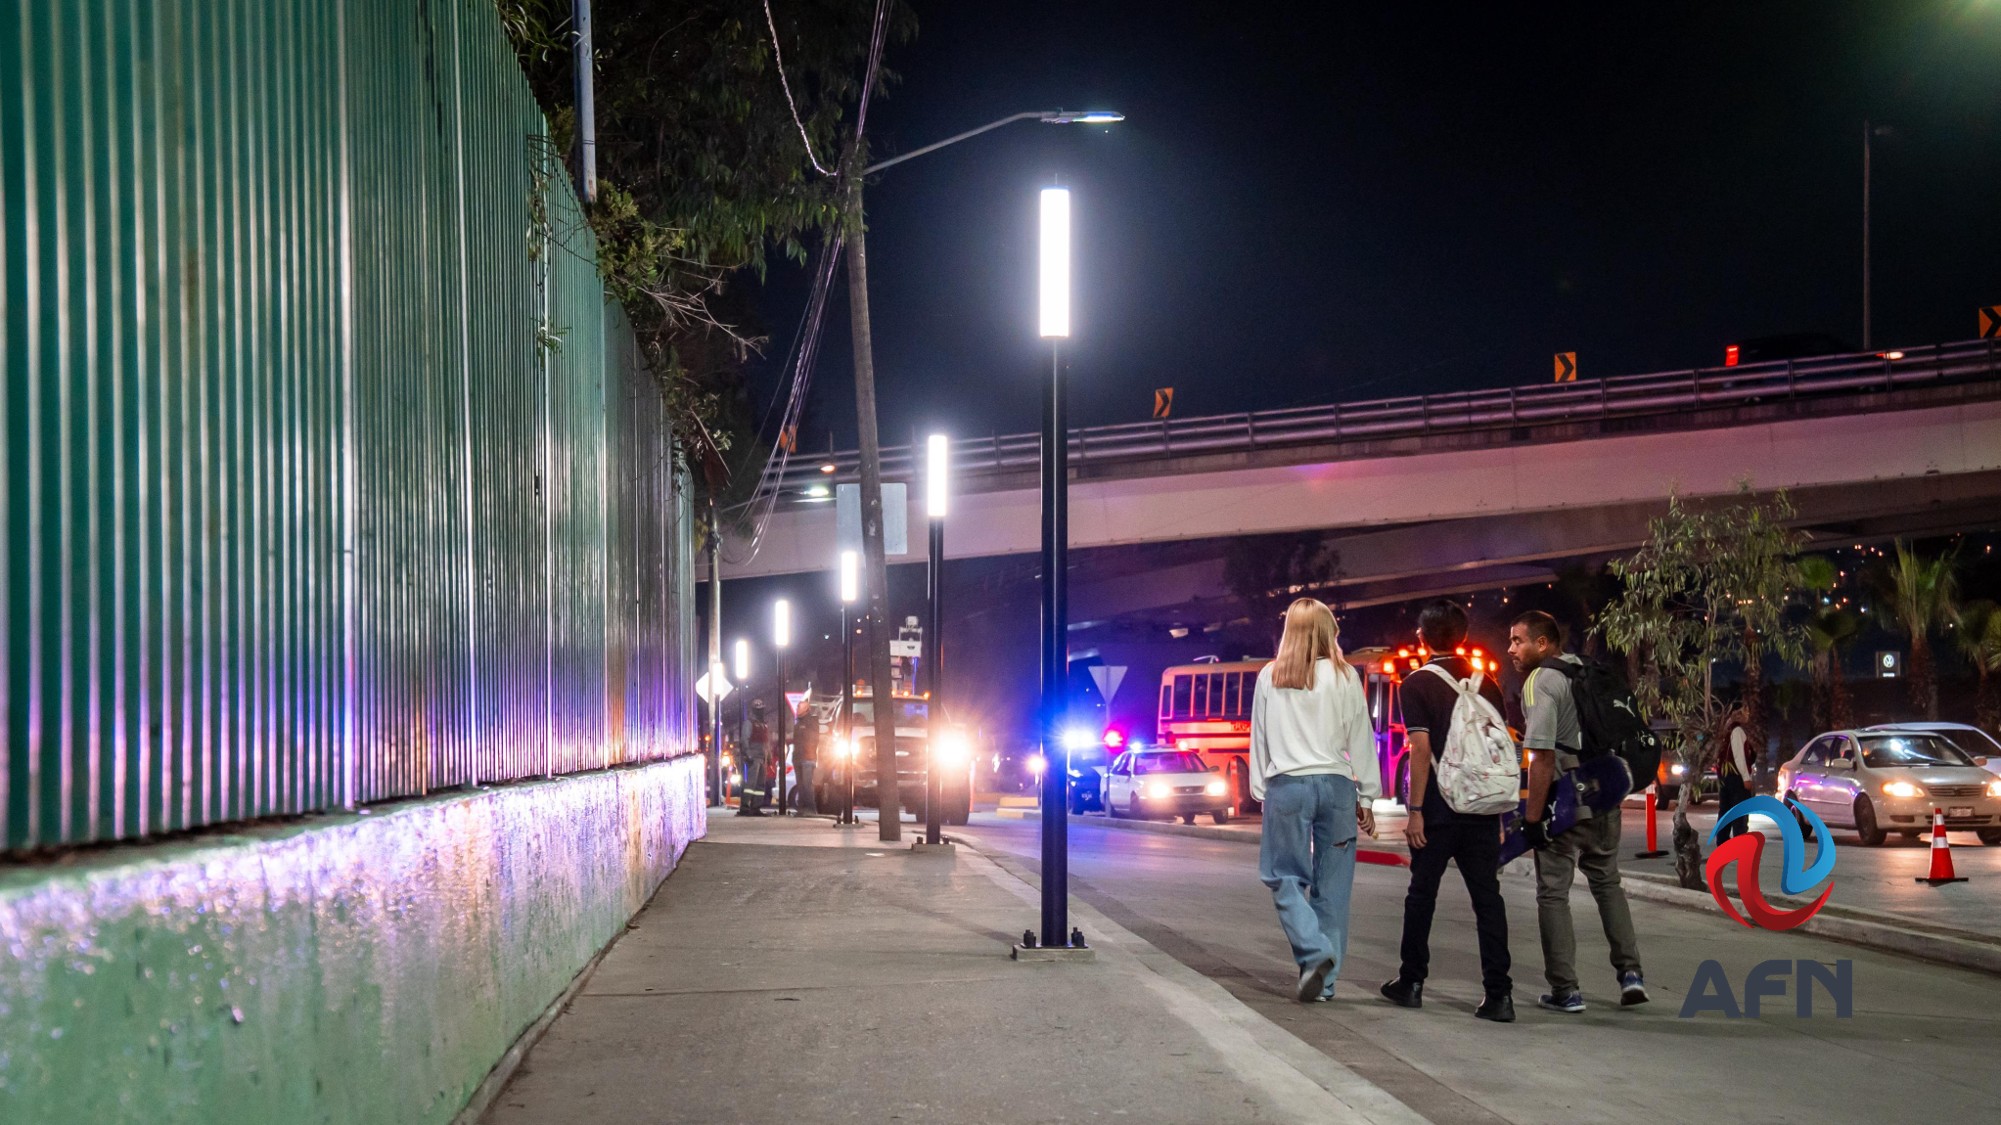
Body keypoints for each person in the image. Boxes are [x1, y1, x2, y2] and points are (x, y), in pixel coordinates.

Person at [1381, 601, 1515, 1022]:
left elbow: (1419, 751)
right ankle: (1499, 996)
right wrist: (1500, 819)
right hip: (1481, 809)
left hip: (1438, 810)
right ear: (1461, 636)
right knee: (1488, 901)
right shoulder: (1487, 683)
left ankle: (1412, 982)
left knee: (1422, 895)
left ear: (1423, 638)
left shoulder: (1416, 683)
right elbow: (1496, 749)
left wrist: (1415, 810)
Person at [1508, 610, 1647, 1013]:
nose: (1512, 649)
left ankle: (1566, 990)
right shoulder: (1588, 671)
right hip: (1606, 795)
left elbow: (1542, 758)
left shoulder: (1541, 681)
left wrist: (1532, 821)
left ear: (1543, 644)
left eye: (1518, 640)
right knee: (1607, 884)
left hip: (1566, 800)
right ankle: (1631, 975)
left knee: (1553, 894)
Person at [1251, 598, 1381, 1004]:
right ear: (1328, 632)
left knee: (1282, 876)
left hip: (1288, 787)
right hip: (1338, 788)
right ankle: (1324, 983)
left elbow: (1260, 739)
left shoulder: (1270, 676)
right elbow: (1361, 738)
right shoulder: (1345, 677)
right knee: (1333, 888)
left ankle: (1313, 951)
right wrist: (1369, 796)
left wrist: (1260, 790)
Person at [1713, 705, 1754, 842]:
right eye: (1746, 713)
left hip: (1724, 776)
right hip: (1735, 778)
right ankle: (1739, 843)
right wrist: (1746, 778)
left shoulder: (1725, 731)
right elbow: (1739, 756)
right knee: (1739, 812)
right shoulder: (1737, 731)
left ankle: (1722, 840)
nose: (1748, 716)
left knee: (1725, 809)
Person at [738, 700, 772, 817]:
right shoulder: (749, 723)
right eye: (759, 709)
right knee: (750, 784)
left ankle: (756, 808)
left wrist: (769, 757)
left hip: (762, 758)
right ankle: (745, 807)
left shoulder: (764, 724)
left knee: (760, 785)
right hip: (754, 758)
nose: (761, 711)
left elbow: (766, 742)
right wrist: (748, 754)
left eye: (762, 709)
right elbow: (744, 739)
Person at [792, 705, 820, 815]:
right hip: (798, 758)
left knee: (807, 785)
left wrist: (808, 752)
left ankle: (811, 809)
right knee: (801, 785)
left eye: (799, 707)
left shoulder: (811, 721)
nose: (797, 708)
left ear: (806, 709)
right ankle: (802, 808)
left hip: (807, 758)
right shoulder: (798, 723)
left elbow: (813, 740)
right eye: (797, 706)